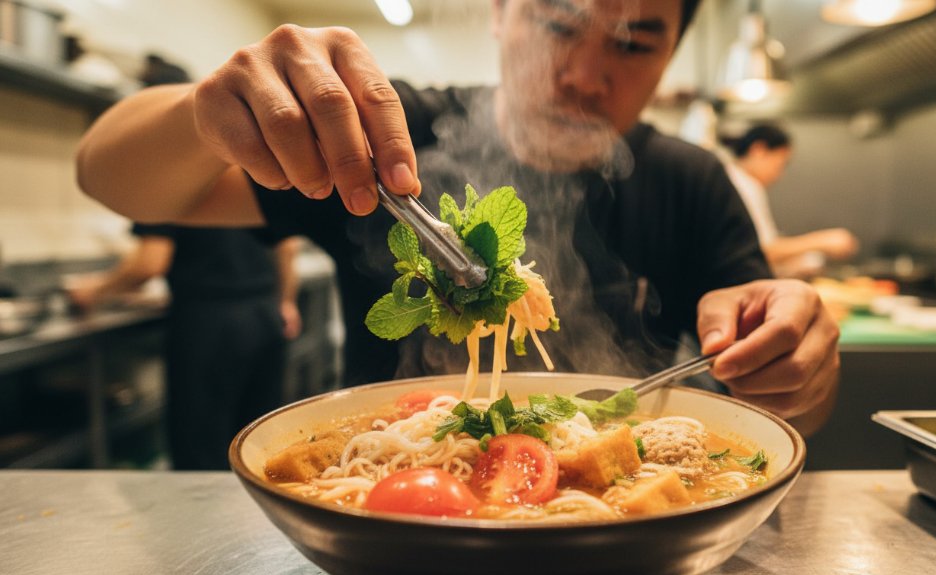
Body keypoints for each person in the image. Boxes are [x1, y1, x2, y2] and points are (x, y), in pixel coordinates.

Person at [75, 0, 839, 436]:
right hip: (386, 527)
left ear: (672, 54)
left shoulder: (692, 179)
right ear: (502, 13)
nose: (583, 76)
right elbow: (113, 180)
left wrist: (794, 367)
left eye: (634, 43)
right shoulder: (383, 138)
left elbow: (786, 401)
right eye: (559, 24)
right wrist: (200, 111)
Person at [66, 225, 303, 469]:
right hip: (265, 313)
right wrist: (286, 300)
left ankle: (206, 508)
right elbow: (288, 245)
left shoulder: (163, 186)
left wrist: (94, 291)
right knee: (260, 442)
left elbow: (150, 262)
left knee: (202, 448)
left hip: (209, 321)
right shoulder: (259, 184)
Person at [721, 124, 860, 278]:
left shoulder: (737, 180)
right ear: (758, 150)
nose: (779, 174)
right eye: (780, 164)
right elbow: (761, 251)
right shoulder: (742, 184)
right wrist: (823, 241)